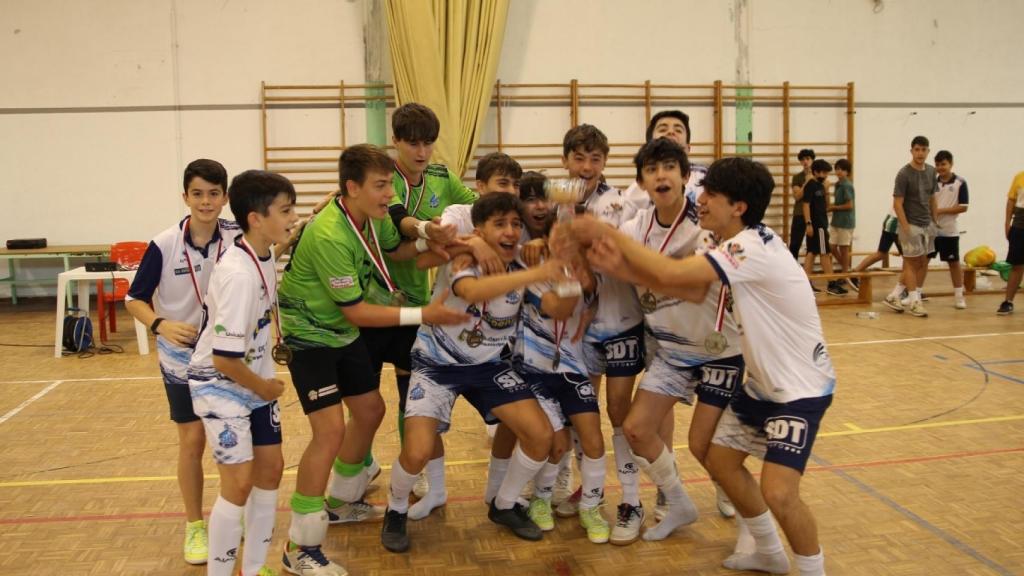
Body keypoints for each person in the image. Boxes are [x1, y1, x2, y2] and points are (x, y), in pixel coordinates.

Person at [569, 156, 834, 576]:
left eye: (711, 194)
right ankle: (766, 549)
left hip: (798, 390)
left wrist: (604, 232)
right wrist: (619, 266)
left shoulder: (750, 248)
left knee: (780, 492)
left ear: (739, 206)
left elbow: (669, 270)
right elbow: (687, 290)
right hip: (762, 386)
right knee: (719, 460)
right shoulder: (732, 242)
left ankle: (811, 570)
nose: (701, 199)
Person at [277, 144, 468, 576]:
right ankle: (300, 547)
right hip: (309, 336)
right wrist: (427, 313)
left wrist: (435, 246)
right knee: (328, 434)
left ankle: (341, 503)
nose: (389, 195)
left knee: (370, 409)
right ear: (352, 188)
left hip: (339, 333)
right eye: (381, 186)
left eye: (389, 185)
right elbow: (358, 311)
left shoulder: (368, 218)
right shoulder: (329, 234)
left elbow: (395, 252)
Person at [380, 193, 568, 552]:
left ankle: (504, 504)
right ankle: (396, 508)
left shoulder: (523, 264)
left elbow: (556, 307)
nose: (510, 231)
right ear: (479, 229)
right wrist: (537, 272)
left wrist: (571, 275)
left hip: (488, 366)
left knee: (540, 436)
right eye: (499, 224)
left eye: (515, 224)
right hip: (436, 365)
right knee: (417, 451)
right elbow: (470, 290)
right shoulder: (465, 255)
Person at [614, 138, 741, 543]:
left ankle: (742, 509)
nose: (661, 175)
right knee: (636, 429)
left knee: (710, 448)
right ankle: (679, 502)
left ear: (687, 177)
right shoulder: (634, 229)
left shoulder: (707, 223)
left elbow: (694, 284)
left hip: (718, 349)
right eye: (651, 170)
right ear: (642, 183)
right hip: (671, 350)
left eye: (669, 167)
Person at [125, 158, 238, 566]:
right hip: (180, 356)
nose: (206, 201)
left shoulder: (239, 236)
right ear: (185, 196)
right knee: (192, 441)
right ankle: (194, 524)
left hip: (228, 355)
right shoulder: (164, 243)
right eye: (197, 193)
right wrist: (160, 324)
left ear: (225, 197)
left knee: (233, 438)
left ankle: (231, 515)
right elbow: (134, 298)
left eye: (213, 193)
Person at [187, 170, 299, 576]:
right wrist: (266, 387)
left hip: (251, 380)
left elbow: (285, 236)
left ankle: (252, 569)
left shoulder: (262, 251)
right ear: (255, 217)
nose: (292, 217)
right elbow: (224, 360)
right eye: (285, 211)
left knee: (270, 471)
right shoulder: (238, 275)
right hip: (221, 384)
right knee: (237, 484)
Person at [373, 103, 479, 498]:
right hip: (372, 296)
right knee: (365, 398)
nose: (421, 152)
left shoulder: (440, 175)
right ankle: (361, 463)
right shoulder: (384, 177)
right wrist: (426, 230)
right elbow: (397, 217)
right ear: (396, 142)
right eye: (412, 143)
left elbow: (476, 208)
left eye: (428, 143)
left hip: (415, 299)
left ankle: (412, 466)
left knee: (409, 394)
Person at [555, 124, 648, 546]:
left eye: (596, 159)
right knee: (582, 412)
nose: (588, 166)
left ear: (605, 162)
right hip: (581, 329)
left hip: (622, 322)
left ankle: (631, 499)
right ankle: (588, 488)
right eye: (580, 158)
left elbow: (631, 255)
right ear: (566, 161)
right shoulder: (557, 203)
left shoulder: (620, 203)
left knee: (617, 414)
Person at [886, 136, 938, 317]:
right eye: (917, 150)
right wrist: (905, 226)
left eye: (923, 150)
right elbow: (897, 203)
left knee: (922, 262)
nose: (920, 153)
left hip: (927, 225)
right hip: (910, 225)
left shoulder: (932, 172)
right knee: (910, 262)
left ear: (928, 151)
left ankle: (894, 295)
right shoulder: (904, 174)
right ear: (911, 151)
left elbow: (932, 198)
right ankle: (915, 301)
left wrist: (935, 220)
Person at [624, 110, 707, 210]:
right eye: (663, 129)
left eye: (678, 130)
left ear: (688, 148)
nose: (671, 132)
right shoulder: (638, 189)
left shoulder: (706, 176)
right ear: (650, 144)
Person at [933, 150, 969, 309]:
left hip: (949, 230)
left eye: (944, 164)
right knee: (922, 262)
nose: (941, 167)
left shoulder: (960, 182)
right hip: (931, 230)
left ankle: (959, 296)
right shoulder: (932, 182)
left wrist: (940, 211)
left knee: (953, 263)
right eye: (938, 164)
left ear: (951, 164)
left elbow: (963, 207)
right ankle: (916, 294)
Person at [802, 159, 843, 295]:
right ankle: (831, 283)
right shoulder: (811, 185)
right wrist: (808, 223)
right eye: (823, 172)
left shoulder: (820, 186)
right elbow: (805, 204)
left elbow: (825, 205)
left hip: (820, 224)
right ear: (815, 172)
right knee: (825, 253)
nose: (825, 175)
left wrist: (826, 190)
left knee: (811, 253)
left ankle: (806, 283)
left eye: (826, 172)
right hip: (817, 225)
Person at [998, 170, 1024, 315]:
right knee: (1017, 265)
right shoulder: (1020, 177)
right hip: (1020, 225)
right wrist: (1007, 223)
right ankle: (1008, 301)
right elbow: (1011, 200)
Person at [827, 159, 855, 284]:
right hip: (836, 221)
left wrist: (833, 207)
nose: (839, 171)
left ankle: (844, 275)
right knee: (832, 247)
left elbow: (849, 205)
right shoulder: (838, 184)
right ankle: (847, 270)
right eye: (837, 169)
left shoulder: (847, 185)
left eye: (842, 169)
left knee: (844, 248)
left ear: (847, 172)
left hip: (845, 221)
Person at [789, 149, 815, 259]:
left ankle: (808, 272)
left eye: (808, 159)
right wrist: (807, 182)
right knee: (795, 244)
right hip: (799, 214)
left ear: (812, 160)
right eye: (803, 159)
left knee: (813, 246)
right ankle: (791, 270)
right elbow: (797, 196)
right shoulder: (797, 177)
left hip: (814, 214)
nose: (805, 162)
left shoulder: (818, 176)